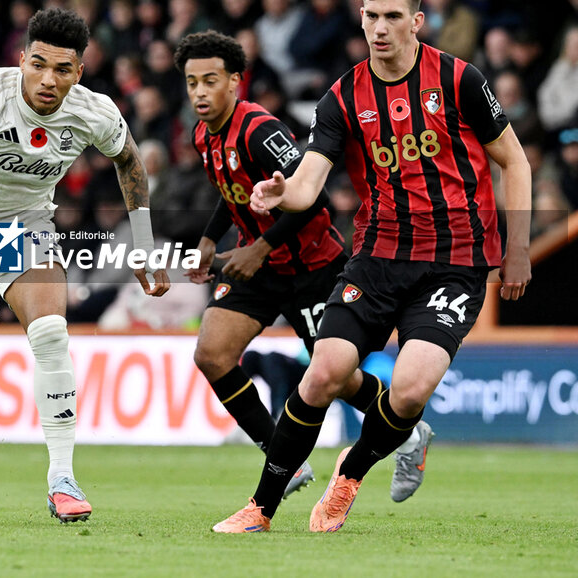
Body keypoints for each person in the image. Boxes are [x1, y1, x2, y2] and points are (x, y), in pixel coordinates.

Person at [216, 0, 531, 533]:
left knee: (408, 392)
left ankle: (349, 475)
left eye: (392, 16)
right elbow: (310, 182)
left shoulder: (458, 79)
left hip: (456, 262)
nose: (380, 28)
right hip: (379, 257)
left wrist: (519, 248)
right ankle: (260, 508)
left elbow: (515, 160)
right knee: (323, 373)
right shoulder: (342, 96)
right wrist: (282, 192)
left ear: (417, 20)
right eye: (371, 16)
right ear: (360, 18)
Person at [0, 7, 170, 523]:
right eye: (38, 64)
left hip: (22, 229)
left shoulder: (94, 111)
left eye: (62, 69)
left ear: (79, 72)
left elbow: (129, 159)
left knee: (50, 333)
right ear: (21, 59)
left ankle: (62, 478)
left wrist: (143, 244)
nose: (48, 79)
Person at [175, 30, 422, 502]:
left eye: (210, 80)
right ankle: (283, 459)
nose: (200, 92)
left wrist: (259, 247)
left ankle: (407, 429)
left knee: (337, 378)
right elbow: (234, 192)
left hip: (313, 267)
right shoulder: (203, 134)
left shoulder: (259, 130)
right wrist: (208, 239)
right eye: (191, 83)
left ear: (235, 81)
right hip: (261, 267)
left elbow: (314, 199)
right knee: (211, 353)